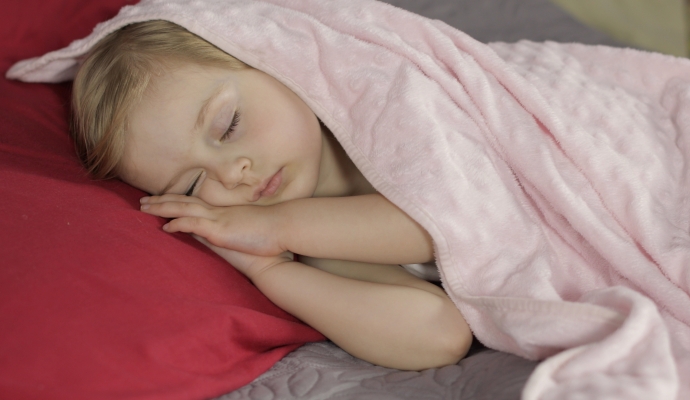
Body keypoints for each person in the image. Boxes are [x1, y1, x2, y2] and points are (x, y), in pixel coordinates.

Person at [71, 20, 472, 370]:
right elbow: (440, 336)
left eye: (228, 126)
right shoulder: (323, 247)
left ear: (271, 61)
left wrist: (277, 227)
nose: (232, 173)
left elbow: (443, 220)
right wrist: (271, 272)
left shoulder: (397, 110)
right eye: (192, 186)